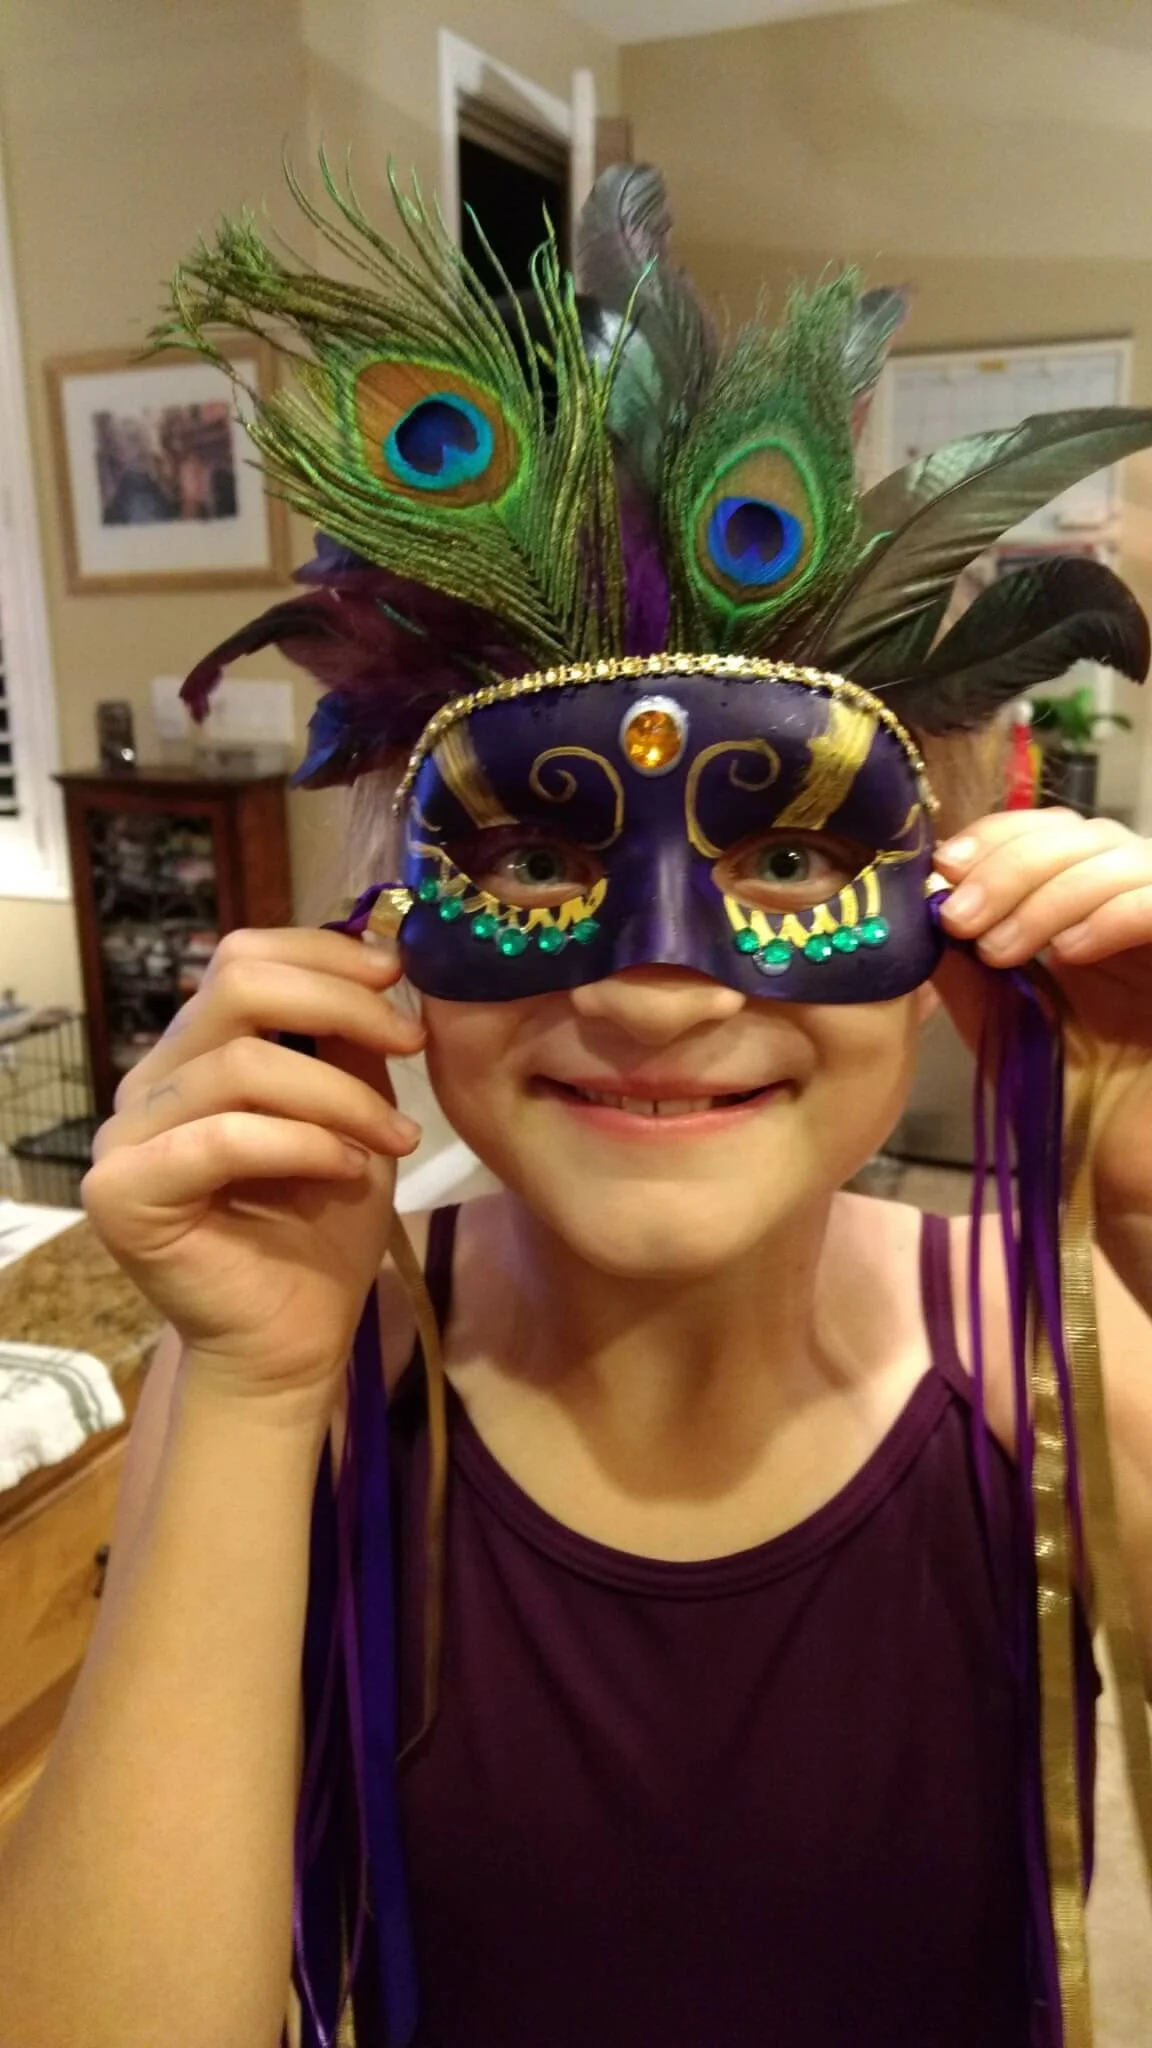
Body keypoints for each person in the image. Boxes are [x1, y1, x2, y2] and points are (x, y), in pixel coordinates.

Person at [4, 161, 1152, 2048]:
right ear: (387, 934)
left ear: (963, 908)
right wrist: (258, 1388)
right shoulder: (303, 1400)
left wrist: (1139, 1217)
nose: (652, 973)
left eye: (790, 857)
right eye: (535, 853)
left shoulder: (1041, 1365)